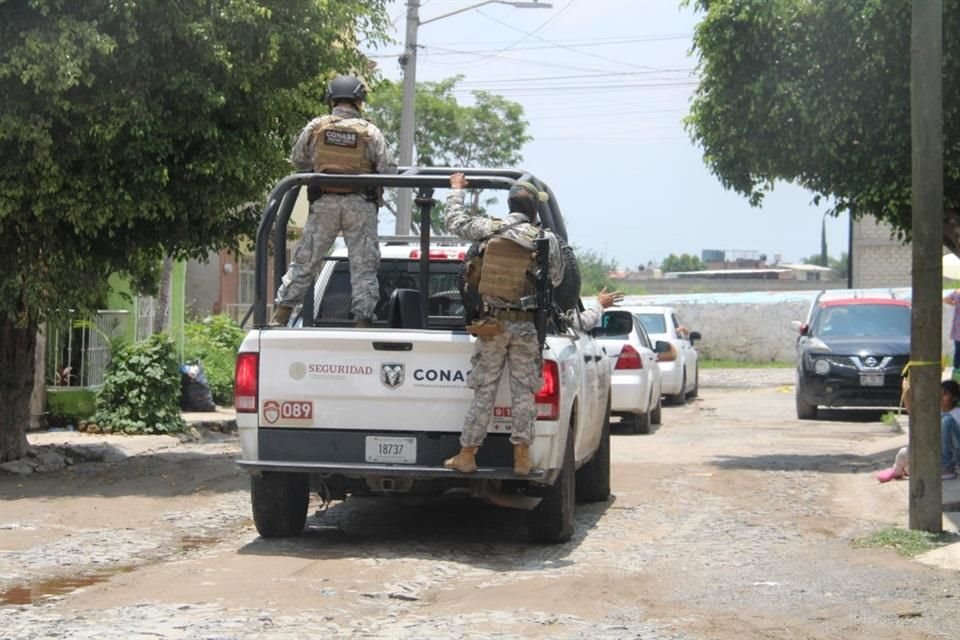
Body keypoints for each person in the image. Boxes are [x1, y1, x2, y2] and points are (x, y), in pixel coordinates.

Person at [442, 173, 564, 476]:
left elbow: (454, 222)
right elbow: (558, 278)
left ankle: (467, 454)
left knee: (484, 390)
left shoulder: (489, 228)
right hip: (526, 326)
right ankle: (522, 457)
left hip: (492, 325)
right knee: (524, 392)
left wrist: (456, 191)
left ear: (510, 203)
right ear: (534, 209)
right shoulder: (544, 238)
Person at [270, 75, 396, 327]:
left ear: (331, 99)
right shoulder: (370, 132)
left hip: (324, 202)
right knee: (363, 268)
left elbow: (298, 160)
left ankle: (280, 316)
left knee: (306, 261)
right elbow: (389, 170)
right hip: (360, 204)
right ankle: (362, 322)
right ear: (359, 101)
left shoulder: (316, 127)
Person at [877, 379, 960, 482]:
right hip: (935, 453)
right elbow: (914, 414)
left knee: (946, 420)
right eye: (939, 393)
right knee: (904, 452)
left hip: (952, 456)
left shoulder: (957, 413)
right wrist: (907, 391)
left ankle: (947, 468)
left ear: (955, 397)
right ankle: (897, 470)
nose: (940, 397)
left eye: (945, 394)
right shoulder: (934, 411)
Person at [944, 289, 960, 377]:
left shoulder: (957, 292)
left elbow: (945, 299)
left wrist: (954, 304)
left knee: (958, 349)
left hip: (958, 325)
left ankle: (956, 368)